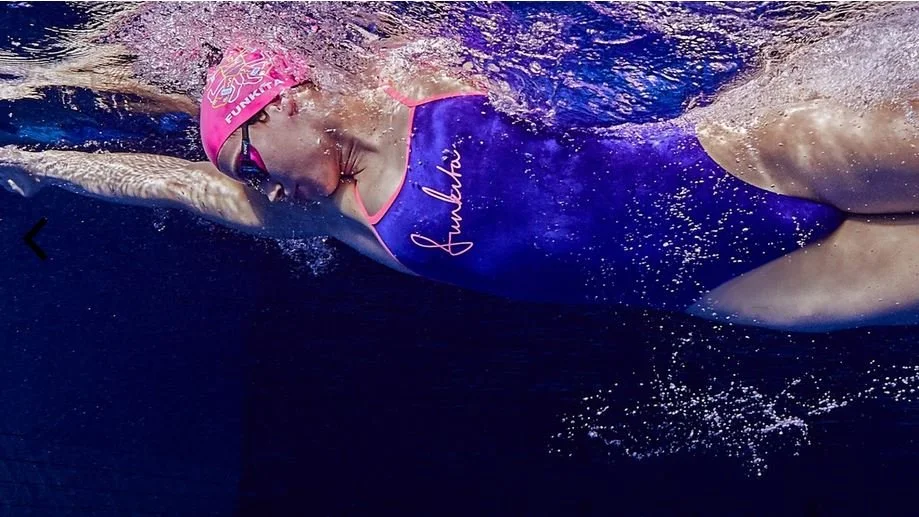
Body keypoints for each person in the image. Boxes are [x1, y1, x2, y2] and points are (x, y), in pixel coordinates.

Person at [2, 44, 919, 332]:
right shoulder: (340, 220)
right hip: (733, 283)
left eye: (243, 161)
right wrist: (39, 162)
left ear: (278, 105)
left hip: (743, 155)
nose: (254, 187)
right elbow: (161, 187)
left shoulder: (413, 75)